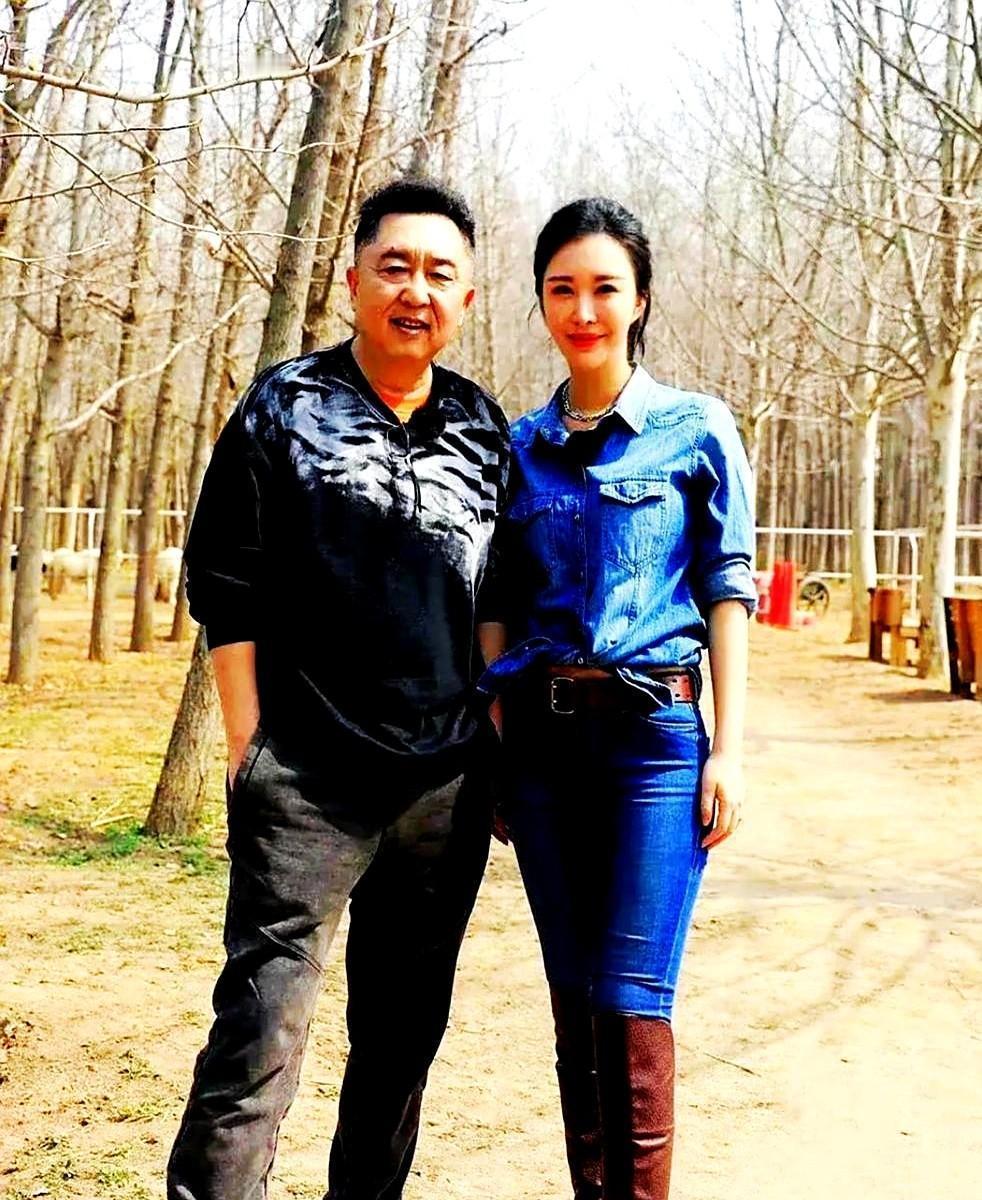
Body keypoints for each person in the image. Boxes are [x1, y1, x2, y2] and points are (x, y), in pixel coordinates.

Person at [168, 178, 510, 1200]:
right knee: (259, 1036)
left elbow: (497, 602)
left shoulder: (483, 428)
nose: (416, 290)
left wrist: (493, 740)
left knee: (400, 1046)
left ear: (467, 298)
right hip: (307, 784)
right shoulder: (285, 406)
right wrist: (249, 749)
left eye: (440, 274)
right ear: (352, 278)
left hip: (441, 793)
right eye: (394, 267)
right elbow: (225, 582)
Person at [478, 197, 756, 1200]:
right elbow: (497, 599)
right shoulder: (519, 447)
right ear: (540, 302)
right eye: (562, 289)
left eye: (605, 288)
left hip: (655, 744)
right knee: (573, 1001)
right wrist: (497, 729)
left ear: (640, 299)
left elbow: (727, 587)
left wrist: (729, 749)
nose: (583, 310)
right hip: (544, 751)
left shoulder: (695, 428)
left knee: (631, 995)